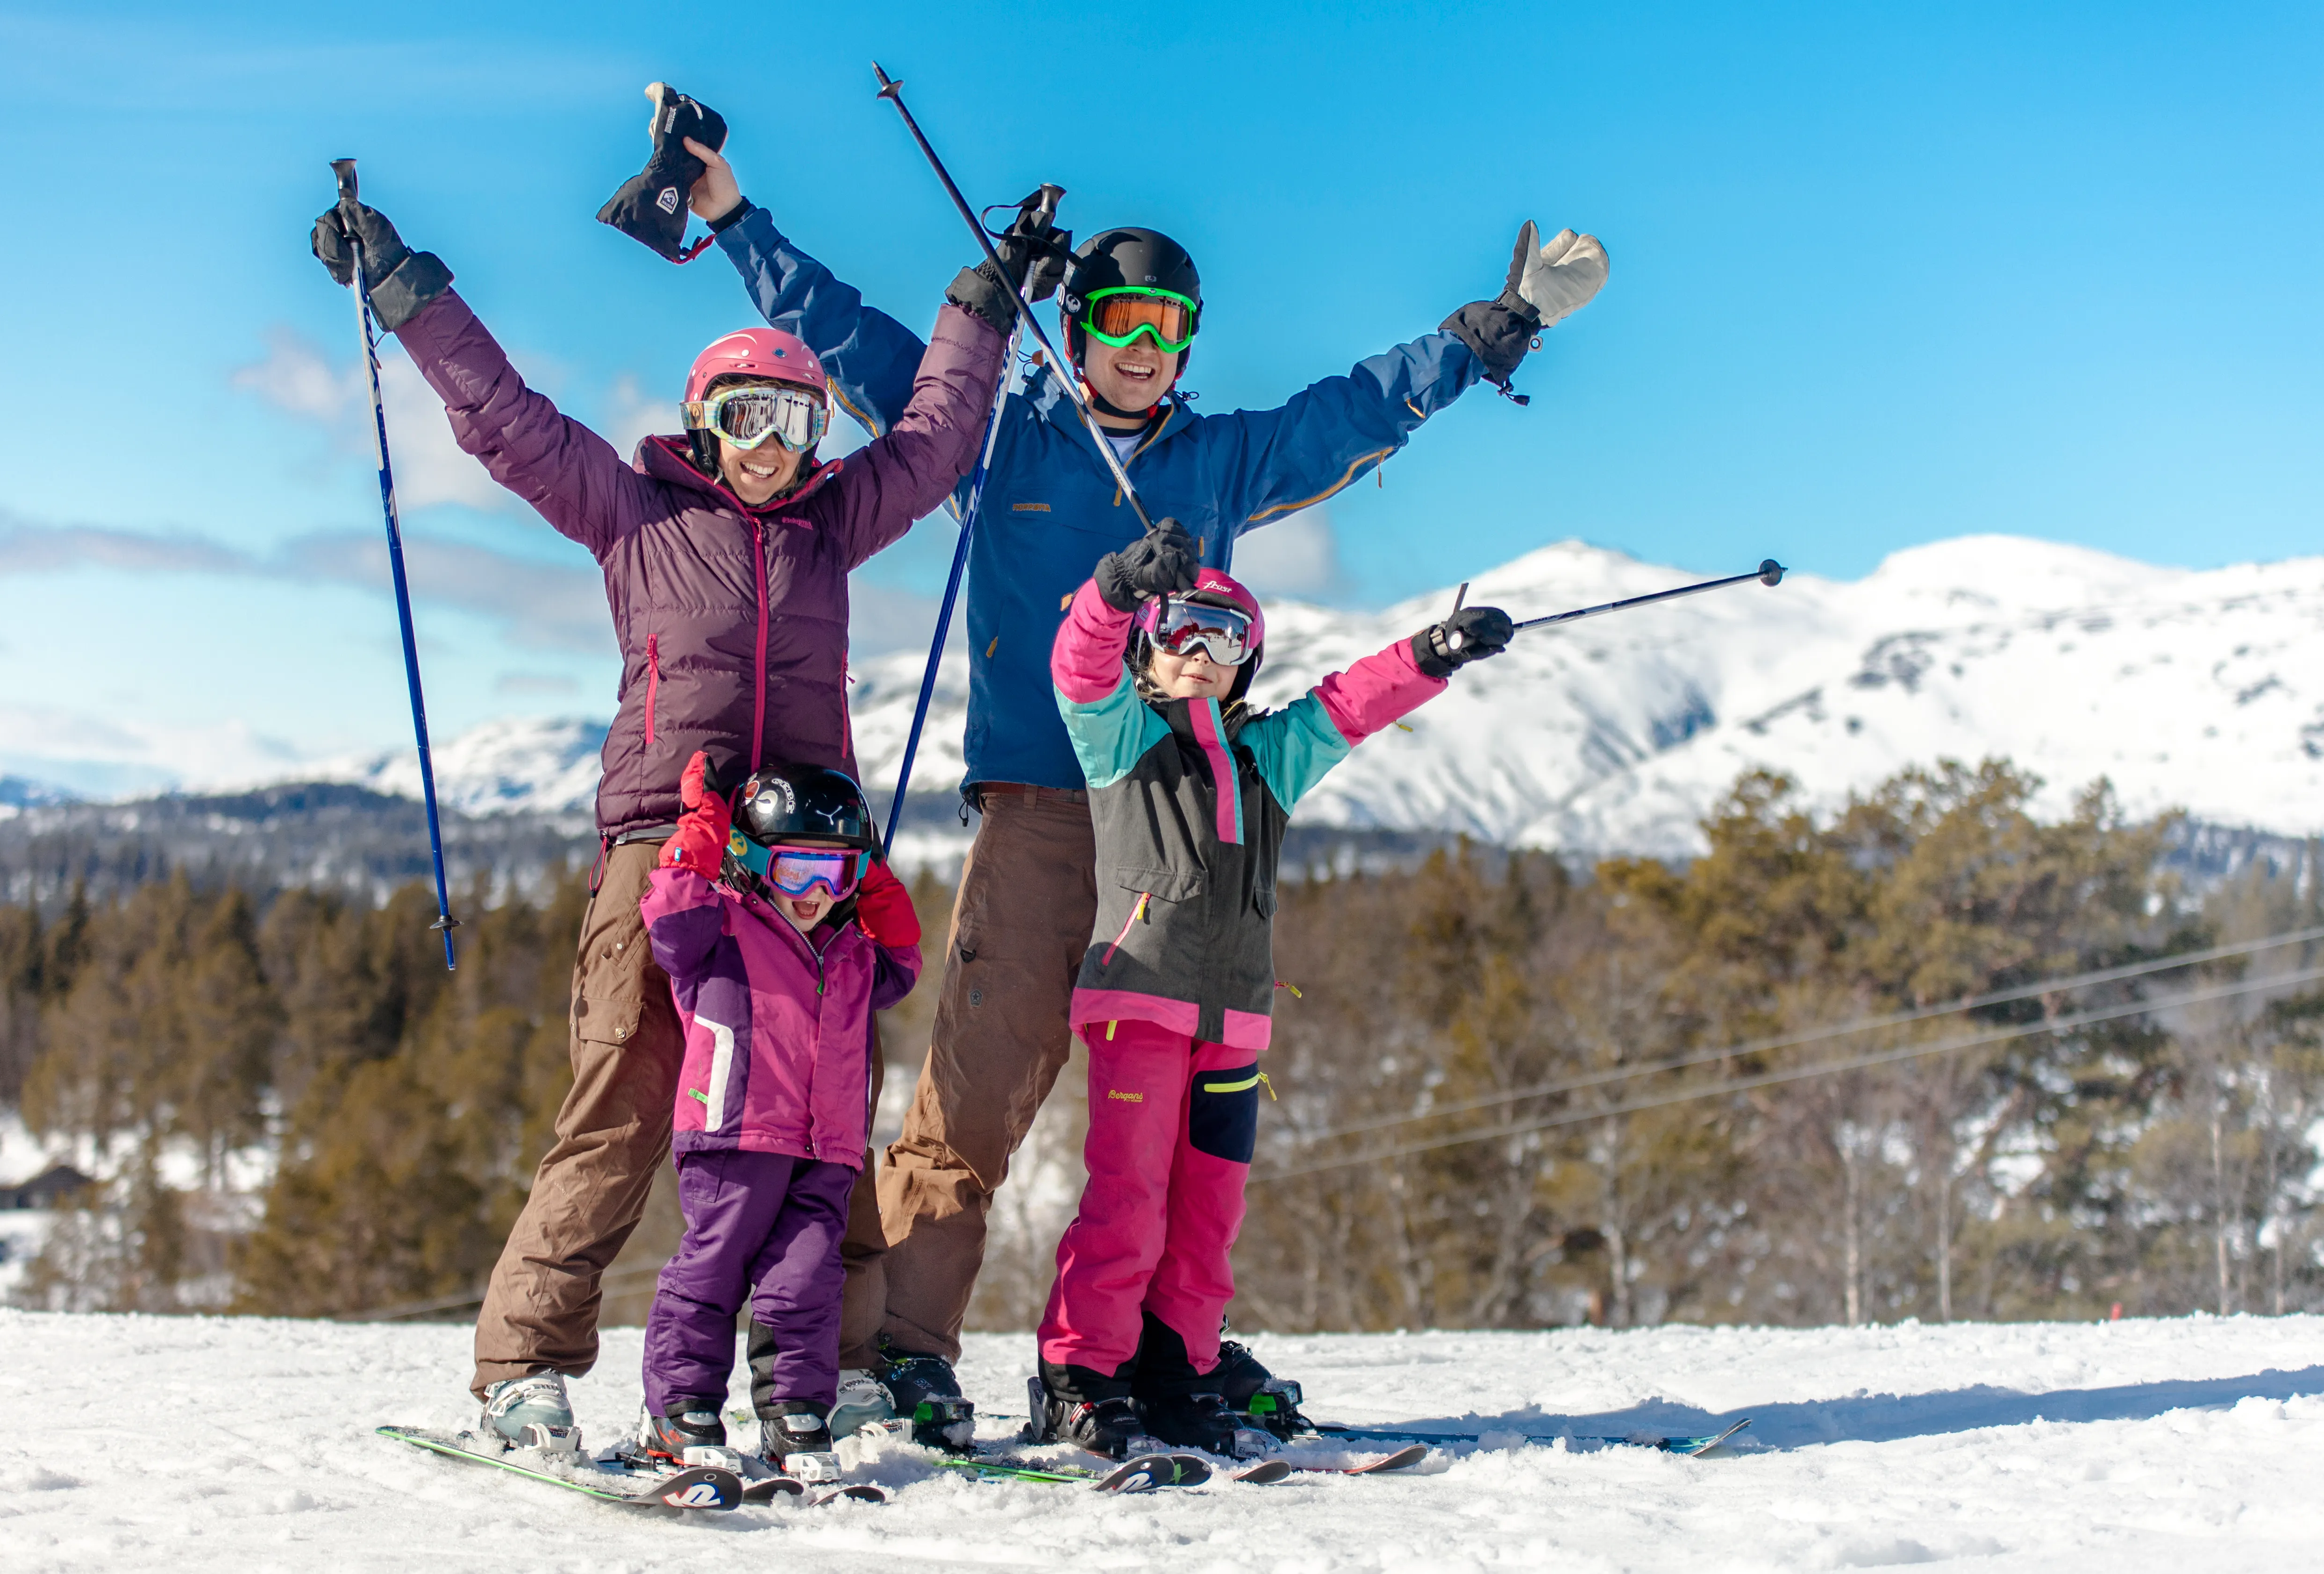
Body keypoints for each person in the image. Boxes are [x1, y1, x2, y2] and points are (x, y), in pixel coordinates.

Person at [681, 134, 1608, 1437]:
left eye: (1169, 325)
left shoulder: (1218, 460)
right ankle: (892, 1347)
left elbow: (1349, 412)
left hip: (1174, 832)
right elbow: (840, 334)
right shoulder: (996, 441)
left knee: (1164, 1127)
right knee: (978, 1095)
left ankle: (1150, 1351)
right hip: (1045, 813)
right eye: (1120, 317)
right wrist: (729, 214)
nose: (1144, 344)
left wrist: (1485, 330)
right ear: (1078, 325)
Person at [309, 190, 1017, 1452]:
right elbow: (505, 420)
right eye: (746, 417)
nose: (771, 443)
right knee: (627, 1103)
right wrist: (407, 289)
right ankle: (522, 1367)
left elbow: (933, 439)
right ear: (706, 423)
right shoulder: (634, 514)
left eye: (795, 420)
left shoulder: (830, 526)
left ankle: (836, 1369)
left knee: (820, 1121)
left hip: (802, 871)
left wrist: (979, 305)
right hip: (664, 855)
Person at [1032, 526, 1516, 1457]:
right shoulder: (1121, 738)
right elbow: (1079, 664)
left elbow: (1349, 704)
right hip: (1140, 1007)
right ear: (1150, 644)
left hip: (1235, 1022)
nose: (1203, 656)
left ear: (1247, 659)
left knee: (1209, 1213)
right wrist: (1114, 590)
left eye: (1226, 639)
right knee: (1128, 1201)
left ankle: (1182, 1374)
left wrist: (1431, 654)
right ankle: (1082, 1377)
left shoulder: (1269, 758)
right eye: (1182, 633)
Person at [633, 755, 922, 1483]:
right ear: (756, 862)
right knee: (713, 1269)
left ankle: (794, 1414)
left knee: (806, 1283)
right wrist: (706, 826)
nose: (817, 893)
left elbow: (906, 953)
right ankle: (681, 1408)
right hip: (733, 1134)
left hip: (827, 1148)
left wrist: (874, 870)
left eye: (837, 876)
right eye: (799, 871)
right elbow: (669, 906)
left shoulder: (856, 951)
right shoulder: (720, 929)